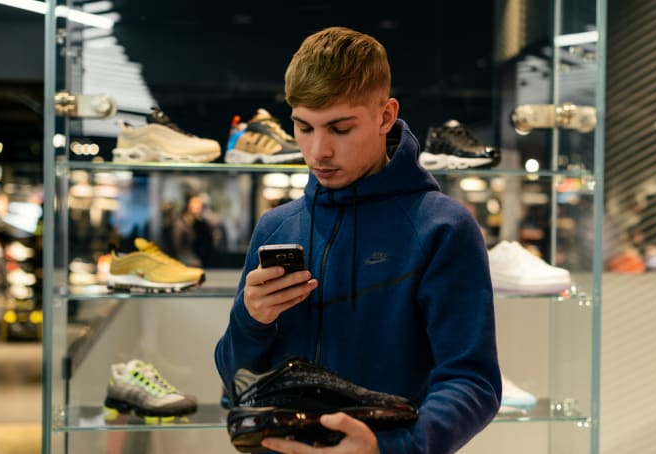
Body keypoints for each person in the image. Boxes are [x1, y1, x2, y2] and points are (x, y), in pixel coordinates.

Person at [215, 26, 501, 453]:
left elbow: (473, 382)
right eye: (303, 127)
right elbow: (233, 378)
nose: (318, 151)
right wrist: (250, 320)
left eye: (340, 128)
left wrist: (392, 447)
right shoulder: (276, 228)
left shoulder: (442, 227)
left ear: (385, 116)